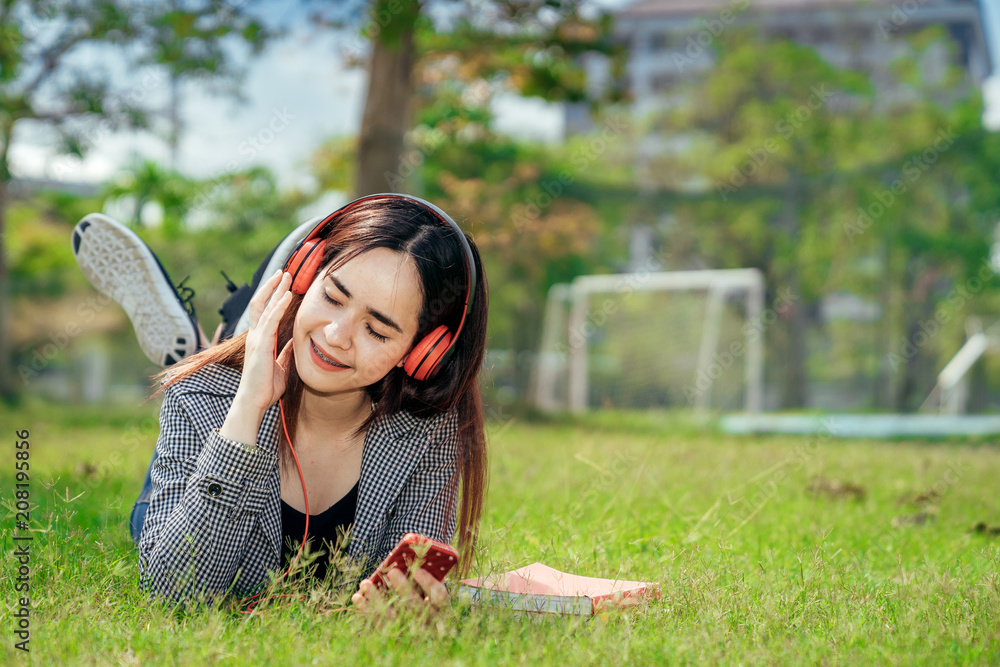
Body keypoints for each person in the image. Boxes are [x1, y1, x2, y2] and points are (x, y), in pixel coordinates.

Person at [70, 194, 489, 610]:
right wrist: (246, 408)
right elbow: (175, 593)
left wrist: (404, 612)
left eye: (377, 330)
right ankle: (221, 345)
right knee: (150, 523)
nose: (336, 335)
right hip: (216, 415)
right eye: (332, 297)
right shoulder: (200, 397)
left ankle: (224, 338)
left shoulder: (429, 432)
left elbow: (402, 587)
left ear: (424, 352)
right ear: (304, 279)